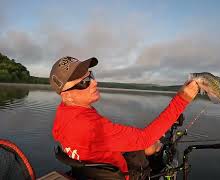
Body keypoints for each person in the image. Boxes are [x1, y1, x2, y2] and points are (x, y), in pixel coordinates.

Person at [49, 56, 199, 180]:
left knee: (148, 146)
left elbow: (93, 142)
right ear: (67, 95)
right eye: (84, 82)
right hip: (120, 175)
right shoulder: (88, 125)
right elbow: (144, 138)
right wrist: (182, 99)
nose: (95, 82)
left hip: (93, 170)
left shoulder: (63, 113)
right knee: (153, 146)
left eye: (91, 76)